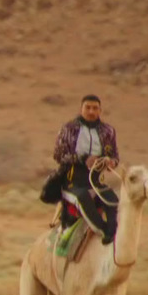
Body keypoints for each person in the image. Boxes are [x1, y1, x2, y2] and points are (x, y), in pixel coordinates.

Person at [50, 94, 120, 244]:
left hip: (96, 182)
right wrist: (82, 159)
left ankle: (112, 233)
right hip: (72, 182)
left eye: (95, 108)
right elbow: (58, 155)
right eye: (87, 107)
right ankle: (103, 232)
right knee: (83, 197)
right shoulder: (69, 129)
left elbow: (115, 157)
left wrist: (110, 162)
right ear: (81, 109)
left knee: (113, 200)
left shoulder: (108, 131)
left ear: (100, 110)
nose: (91, 111)